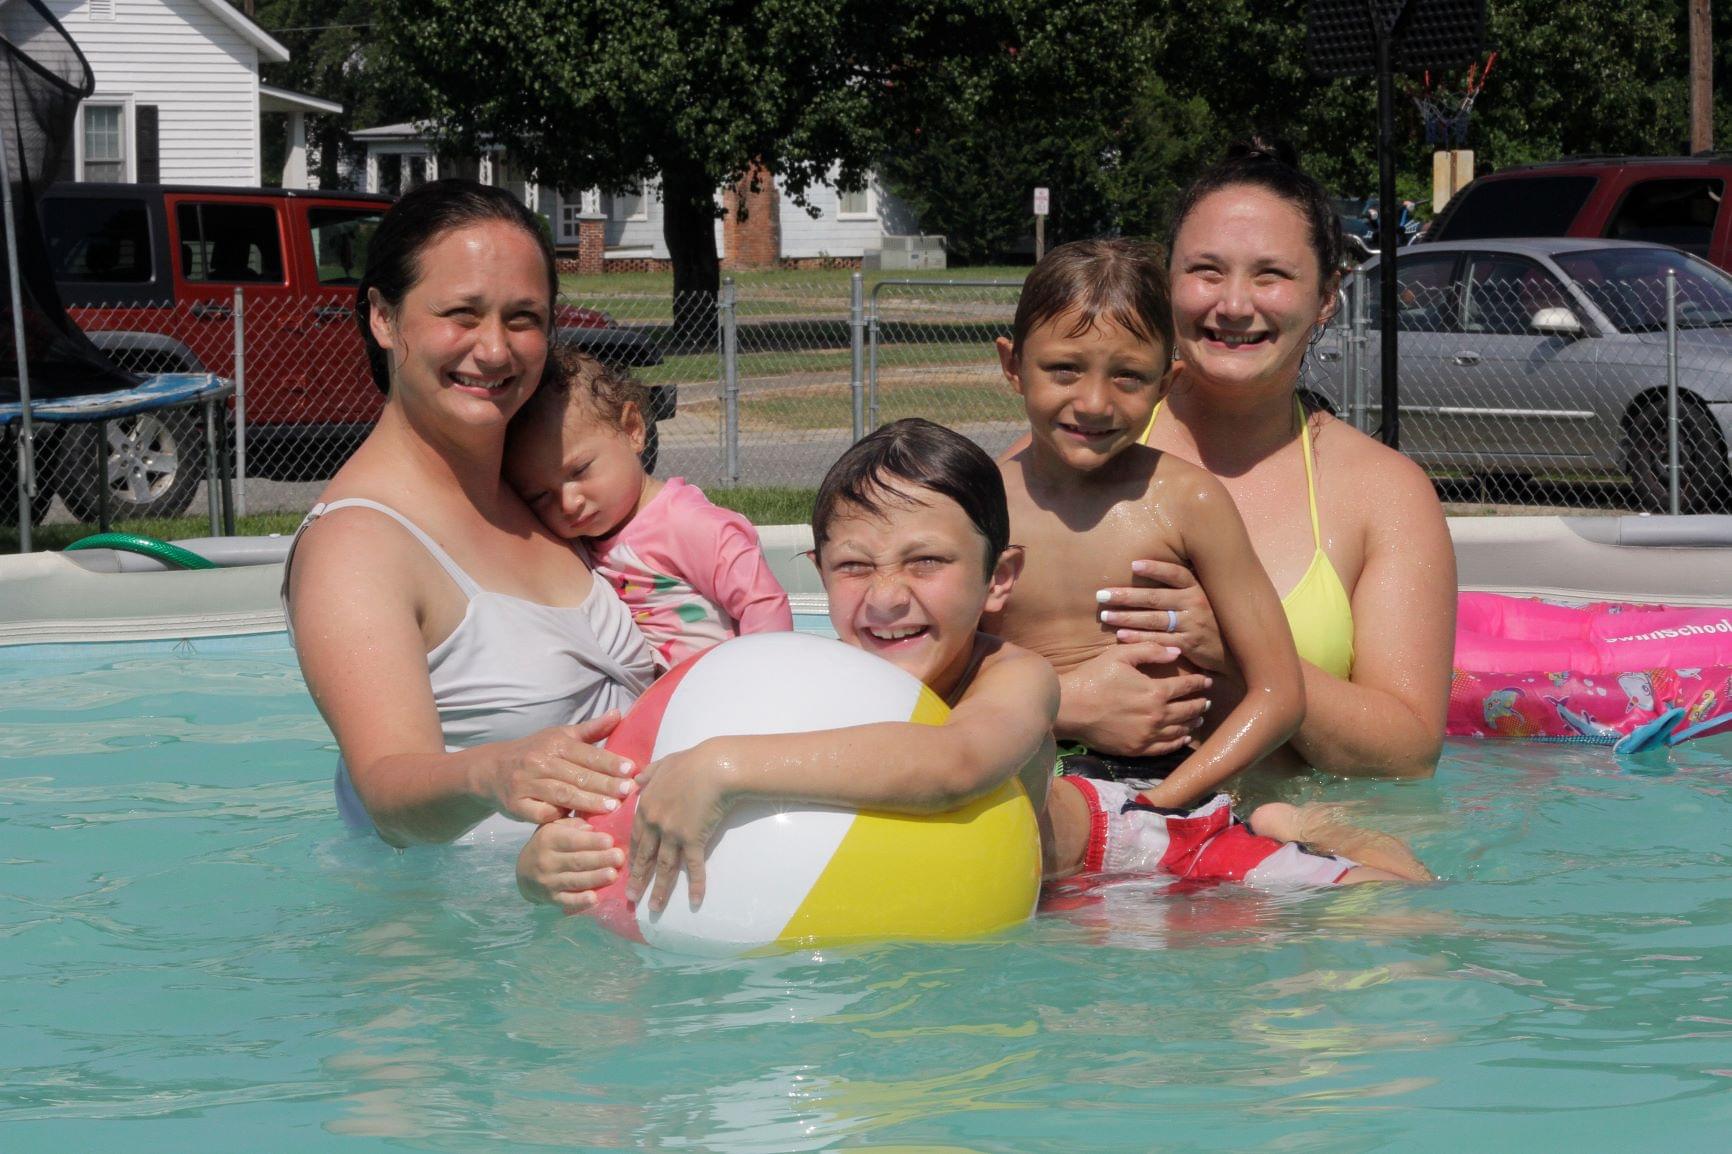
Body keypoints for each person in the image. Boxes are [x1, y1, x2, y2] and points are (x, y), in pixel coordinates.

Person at [519, 419, 1426, 910]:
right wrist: (553, 859)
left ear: (1001, 580)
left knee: (1389, 911)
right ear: (817, 575)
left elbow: (952, 768)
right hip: (1007, 896)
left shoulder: (1015, 679)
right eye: (853, 566)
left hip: (1130, 857)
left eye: (927, 563)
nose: (886, 597)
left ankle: (1304, 827)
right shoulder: (801, 682)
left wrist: (718, 768)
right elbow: (632, 781)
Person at [988, 240, 1428, 883]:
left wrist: (1171, 799)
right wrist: (1060, 708)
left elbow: (1278, 693)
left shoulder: (1188, 501)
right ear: (1012, 366)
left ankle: (1286, 822)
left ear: (1167, 383)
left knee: (1395, 894)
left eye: (1129, 377)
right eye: (1063, 370)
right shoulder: (978, 508)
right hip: (1036, 781)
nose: (1094, 403)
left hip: (1177, 796)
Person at [283, 180, 654, 852]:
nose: (494, 350)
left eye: (522, 318)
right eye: (461, 313)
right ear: (383, 318)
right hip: (461, 938)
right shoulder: (357, 547)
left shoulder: (542, 492)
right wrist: (497, 771)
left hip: (604, 921)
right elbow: (388, 792)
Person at [1079, 140, 1456, 782]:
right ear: (1167, 282)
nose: (1233, 304)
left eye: (1270, 275)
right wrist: (1065, 705)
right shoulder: (1083, 445)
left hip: (1306, 855)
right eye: (1206, 270)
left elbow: (1408, 751)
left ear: (1328, 295)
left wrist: (1236, 645)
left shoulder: (1383, 493)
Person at [504, 347, 792, 672]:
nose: (569, 503)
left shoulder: (685, 523)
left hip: (721, 689)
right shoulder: (582, 540)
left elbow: (763, 602)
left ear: (632, 429)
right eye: (540, 495)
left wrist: (763, 684)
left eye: (580, 470)